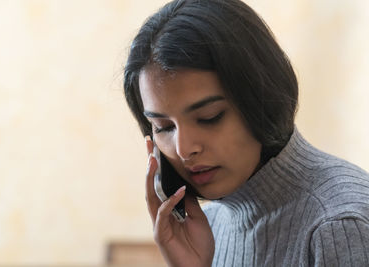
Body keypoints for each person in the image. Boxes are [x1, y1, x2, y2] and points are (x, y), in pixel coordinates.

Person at [123, 0, 369, 266]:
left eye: (210, 117)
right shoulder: (210, 227)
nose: (184, 149)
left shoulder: (338, 224)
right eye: (164, 127)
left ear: (261, 97)